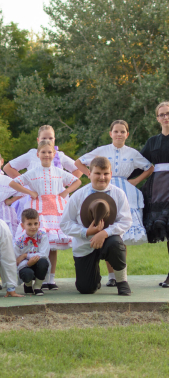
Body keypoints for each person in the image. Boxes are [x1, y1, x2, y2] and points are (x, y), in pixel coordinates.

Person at [74, 120, 153, 286]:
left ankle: (120, 276)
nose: (119, 134)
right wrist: (91, 175)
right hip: (103, 189)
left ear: (127, 134)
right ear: (110, 133)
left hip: (125, 191)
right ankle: (110, 276)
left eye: (122, 132)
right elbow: (78, 162)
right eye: (116, 131)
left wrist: (135, 181)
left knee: (119, 235)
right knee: (104, 226)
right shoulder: (102, 150)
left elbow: (149, 167)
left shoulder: (132, 153)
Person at [9, 140, 81, 290]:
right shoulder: (33, 172)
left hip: (55, 211)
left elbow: (77, 181)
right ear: (38, 154)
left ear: (54, 154)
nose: (46, 155)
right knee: (37, 241)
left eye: (49, 152)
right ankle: (35, 276)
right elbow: (13, 183)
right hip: (39, 211)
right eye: (43, 152)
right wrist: (29, 192)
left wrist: (66, 192)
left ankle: (50, 279)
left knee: (52, 247)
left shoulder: (59, 172)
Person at [60, 156, 132, 296]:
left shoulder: (118, 194)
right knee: (86, 289)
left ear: (111, 174)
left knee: (116, 244)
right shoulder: (78, 195)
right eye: (98, 173)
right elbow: (65, 223)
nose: (102, 177)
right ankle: (94, 278)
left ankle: (122, 282)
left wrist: (104, 233)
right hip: (84, 245)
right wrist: (86, 232)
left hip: (109, 241)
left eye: (106, 173)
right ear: (89, 174)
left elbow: (126, 221)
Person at [3, 125, 82, 220]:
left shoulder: (59, 155)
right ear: (38, 140)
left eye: (50, 138)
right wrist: (26, 183)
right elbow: (8, 168)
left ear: (54, 139)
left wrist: (63, 184)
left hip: (56, 198)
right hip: (35, 196)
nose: (47, 140)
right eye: (44, 138)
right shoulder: (32, 154)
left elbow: (78, 169)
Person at [137, 101, 169, 288]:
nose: (166, 117)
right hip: (158, 192)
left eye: (168, 113)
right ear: (157, 118)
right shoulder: (152, 142)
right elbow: (139, 163)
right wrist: (121, 178)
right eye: (162, 114)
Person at [14, 209, 51, 296]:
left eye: (35, 223)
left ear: (39, 224)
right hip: (25, 266)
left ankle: (37, 286)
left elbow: (44, 254)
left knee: (43, 262)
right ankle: (28, 285)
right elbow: (17, 261)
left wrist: (26, 255)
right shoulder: (19, 241)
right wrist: (28, 263)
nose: (33, 227)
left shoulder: (43, 236)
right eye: (29, 224)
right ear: (23, 226)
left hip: (39, 265)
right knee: (27, 273)